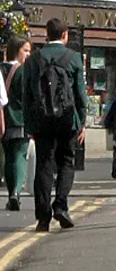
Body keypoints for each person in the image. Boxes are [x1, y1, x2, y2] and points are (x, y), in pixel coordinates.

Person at [17, 18, 86, 233]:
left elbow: (26, 95)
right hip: (67, 119)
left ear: (47, 34)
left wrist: (29, 125)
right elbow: (80, 95)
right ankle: (61, 206)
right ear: (64, 35)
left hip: (42, 120)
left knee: (44, 165)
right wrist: (82, 121)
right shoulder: (73, 58)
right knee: (66, 161)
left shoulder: (33, 60)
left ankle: (43, 218)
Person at [2, 37, 30, 211]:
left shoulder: (0, 69)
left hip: (3, 121)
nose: (28, 54)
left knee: (8, 157)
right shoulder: (22, 71)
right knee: (20, 155)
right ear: (16, 51)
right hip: (19, 119)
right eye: (25, 50)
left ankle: (10, 192)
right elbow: (27, 97)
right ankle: (16, 192)